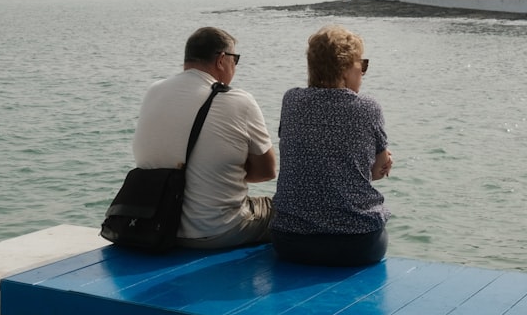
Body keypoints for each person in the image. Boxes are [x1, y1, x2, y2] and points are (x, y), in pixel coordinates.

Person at [132, 27, 276, 249]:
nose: (235, 67)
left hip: (157, 226)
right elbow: (267, 171)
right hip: (219, 231)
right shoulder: (240, 100)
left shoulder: (154, 90)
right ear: (221, 60)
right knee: (282, 209)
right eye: (235, 60)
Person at [271, 25, 393, 266]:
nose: (363, 73)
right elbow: (376, 172)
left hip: (291, 240)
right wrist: (384, 159)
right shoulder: (367, 108)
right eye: (362, 65)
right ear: (346, 68)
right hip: (358, 243)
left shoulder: (291, 100)